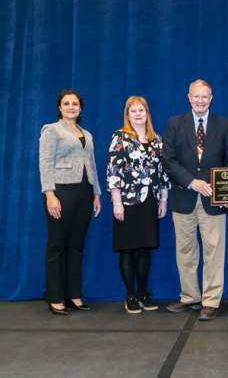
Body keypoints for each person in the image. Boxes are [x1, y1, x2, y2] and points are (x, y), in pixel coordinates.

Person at [162, 80, 228, 321]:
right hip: (184, 196)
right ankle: (189, 296)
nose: (200, 100)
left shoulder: (224, 125)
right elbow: (168, 161)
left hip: (214, 201)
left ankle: (211, 301)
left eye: (205, 97)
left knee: (214, 252)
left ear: (211, 98)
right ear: (189, 97)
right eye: (196, 96)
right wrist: (193, 182)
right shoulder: (174, 124)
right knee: (185, 251)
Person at [39, 90, 102, 315]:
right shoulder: (51, 130)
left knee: (76, 246)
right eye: (66, 103)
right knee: (57, 246)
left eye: (75, 104)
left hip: (84, 193)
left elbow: (92, 164)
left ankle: (74, 295)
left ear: (80, 108)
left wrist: (97, 194)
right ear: (59, 107)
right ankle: (55, 298)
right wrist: (50, 194)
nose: (71, 107)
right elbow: (45, 163)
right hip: (61, 192)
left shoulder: (87, 134)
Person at [106, 96, 170, 314]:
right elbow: (113, 172)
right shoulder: (120, 137)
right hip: (127, 202)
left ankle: (143, 292)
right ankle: (130, 294)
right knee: (128, 248)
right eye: (133, 111)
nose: (138, 114)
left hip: (150, 202)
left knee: (145, 248)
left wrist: (163, 200)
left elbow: (163, 174)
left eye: (141, 110)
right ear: (128, 115)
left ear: (147, 113)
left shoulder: (157, 140)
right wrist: (117, 203)